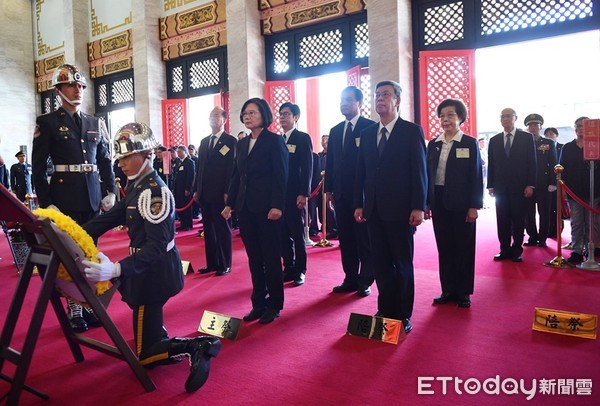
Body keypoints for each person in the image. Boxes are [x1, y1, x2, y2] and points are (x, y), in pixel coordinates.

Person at [81, 122, 221, 393]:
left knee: (145, 355)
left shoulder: (154, 193)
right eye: (119, 158)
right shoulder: (137, 185)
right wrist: (69, 231)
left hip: (154, 275)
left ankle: (197, 346)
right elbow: (109, 218)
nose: (120, 163)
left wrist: (116, 270)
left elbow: (156, 249)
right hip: (144, 271)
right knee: (148, 339)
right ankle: (164, 338)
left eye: (126, 157)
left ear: (146, 155)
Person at [32, 63, 116, 333]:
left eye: (80, 86)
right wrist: (47, 203)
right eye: (70, 85)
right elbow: (37, 166)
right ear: (58, 90)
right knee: (69, 257)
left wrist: (111, 190)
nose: (77, 90)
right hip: (63, 198)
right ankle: (75, 308)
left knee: (90, 251)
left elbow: (104, 160)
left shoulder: (94, 122)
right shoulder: (47, 123)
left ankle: (89, 304)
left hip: (92, 195)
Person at [354, 80, 427, 334]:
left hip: (401, 211)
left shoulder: (411, 131)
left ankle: (403, 313)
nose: (380, 99)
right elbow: (361, 173)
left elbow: (420, 172)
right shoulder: (366, 134)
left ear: (397, 100)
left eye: (386, 94)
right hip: (373, 210)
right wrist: (359, 204)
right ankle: (385, 308)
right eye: (377, 95)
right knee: (381, 264)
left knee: (402, 263)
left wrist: (418, 206)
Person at [221, 98, 288, 324]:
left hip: (267, 209)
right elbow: (236, 176)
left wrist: (277, 205)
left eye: (252, 112)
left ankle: (275, 303)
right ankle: (258, 303)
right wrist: (230, 203)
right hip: (245, 208)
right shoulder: (241, 144)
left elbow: (281, 176)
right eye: (245, 113)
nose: (247, 117)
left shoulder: (274, 141)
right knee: (254, 259)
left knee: (270, 257)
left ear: (264, 115)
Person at [425, 99, 482, 308]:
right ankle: (447, 289)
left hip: (462, 203)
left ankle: (463, 291)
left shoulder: (468, 142)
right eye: (442, 116)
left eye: (450, 115)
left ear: (460, 118)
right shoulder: (434, 144)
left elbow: (476, 176)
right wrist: (427, 203)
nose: (445, 120)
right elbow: (428, 175)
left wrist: (474, 205)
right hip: (439, 201)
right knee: (445, 247)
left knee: (464, 247)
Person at [325, 86, 375, 297]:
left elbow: (371, 165)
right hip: (341, 194)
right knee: (346, 239)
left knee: (364, 239)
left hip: (362, 195)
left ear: (359, 103)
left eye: (348, 99)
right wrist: (329, 190)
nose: (344, 103)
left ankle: (366, 280)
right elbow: (332, 162)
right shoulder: (336, 130)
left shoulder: (369, 127)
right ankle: (350, 277)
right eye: (341, 100)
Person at [487, 108, 536, 262]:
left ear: (515, 118)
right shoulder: (494, 140)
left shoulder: (526, 138)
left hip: (520, 187)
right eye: (503, 117)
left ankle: (517, 250)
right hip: (500, 188)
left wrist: (530, 185)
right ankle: (504, 249)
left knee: (518, 218)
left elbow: (532, 163)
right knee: (502, 220)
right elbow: (492, 164)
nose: (506, 119)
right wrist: (490, 185)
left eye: (509, 116)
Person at [194, 107, 236, 276]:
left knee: (222, 229)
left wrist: (228, 191)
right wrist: (196, 189)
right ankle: (212, 263)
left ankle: (225, 263)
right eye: (211, 115)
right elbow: (200, 168)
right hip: (205, 193)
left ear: (224, 120)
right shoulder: (204, 142)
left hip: (221, 193)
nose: (213, 118)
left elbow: (232, 169)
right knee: (208, 230)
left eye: (216, 116)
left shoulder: (230, 141)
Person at [278, 102, 313, 286]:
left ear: (296, 117)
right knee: (283, 233)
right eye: (281, 114)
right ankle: (288, 267)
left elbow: (307, 167)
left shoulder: (302, 138)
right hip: (279, 196)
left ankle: (300, 270)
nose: (282, 117)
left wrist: (303, 193)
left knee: (297, 234)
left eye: (286, 114)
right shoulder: (278, 139)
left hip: (295, 195)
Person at [559, 116, 599, 264]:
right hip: (574, 192)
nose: (581, 129)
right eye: (579, 126)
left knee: (592, 222)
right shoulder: (567, 147)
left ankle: (592, 250)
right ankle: (576, 250)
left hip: (594, 192)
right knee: (576, 222)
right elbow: (561, 169)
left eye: (585, 126)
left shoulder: (597, 146)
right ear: (575, 129)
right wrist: (563, 190)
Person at [523, 114, 557, 248]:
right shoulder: (523, 143)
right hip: (528, 184)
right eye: (530, 126)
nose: (533, 128)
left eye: (536, 126)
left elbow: (554, 163)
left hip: (544, 184)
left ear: (540, 127)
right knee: (528, 213)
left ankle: (543, 238)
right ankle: (532, 236)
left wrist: (553, 183)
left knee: (544, 213)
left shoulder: (548, 143)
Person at [544, 127, 562, 238]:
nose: (549, 136)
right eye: (547, 134)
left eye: (552, 134)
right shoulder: (544, 147)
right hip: (548, 182)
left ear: (556, 135)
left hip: (560, 182)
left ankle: (559, 228)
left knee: (560, 208)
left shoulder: (562, 147)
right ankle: (551, 230)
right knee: (550, 208)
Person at [174, 145, 195, 231]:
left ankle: (188, 224)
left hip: (185, 189)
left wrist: (188, 188)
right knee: (180, 205)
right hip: (178, 189)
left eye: (179, 152)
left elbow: (190, 176)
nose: (178, 153)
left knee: (186, 207)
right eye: (177, 152)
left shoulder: (189, 162)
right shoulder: (179, 162)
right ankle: (183, 223)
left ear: (185, 152)